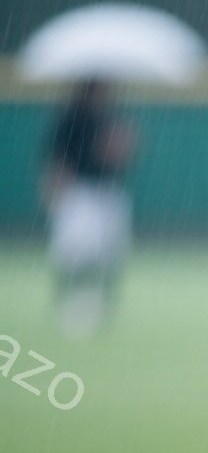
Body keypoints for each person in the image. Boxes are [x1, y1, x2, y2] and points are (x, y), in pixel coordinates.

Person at [40, 78, 136, 335]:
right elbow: (57, 158)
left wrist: (122, 144)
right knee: (74, 251)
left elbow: (117, 155)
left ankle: (103, 303)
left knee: (111, 251)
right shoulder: (71, 118)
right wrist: (55, 188)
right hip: (79, 192)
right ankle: (67, 301)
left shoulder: (108, 117)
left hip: (107, 190)